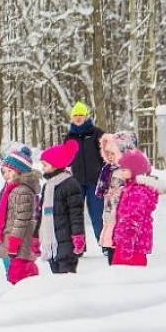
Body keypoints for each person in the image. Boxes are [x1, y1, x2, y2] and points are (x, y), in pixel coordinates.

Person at [0, 146, 41, 285]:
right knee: (11, 273)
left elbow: (22, 219)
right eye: (4, 171)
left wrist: (14, 242)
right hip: (8, 237)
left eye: (9, 171)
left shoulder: (22, 191)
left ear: (20, 172)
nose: (5, 175)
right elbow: (2, 213)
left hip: (18, 241)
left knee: (20, 276)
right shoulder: (8, 188)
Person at [35, 140, 86, 274]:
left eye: (45, 165)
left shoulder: (70, 184)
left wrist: (78, 236)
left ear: (56, 165)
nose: (43, 168)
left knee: (67, 281)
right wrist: (36, 236)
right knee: (57, 280)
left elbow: (76, 215)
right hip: (51, 243)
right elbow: (41, 215)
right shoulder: (48, 186)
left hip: (67, 243)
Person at [64, 101, 105, 244]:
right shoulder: (70, 137)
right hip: (76, 183)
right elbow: (66, 159)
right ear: (72, 117)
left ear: (86, 116)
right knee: (75, 216)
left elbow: (106, 155)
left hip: (95, 181)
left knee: (96, 214)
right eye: (75, 115)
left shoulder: (97, 133)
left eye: (81, 114)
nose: (78, 117)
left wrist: (106, 173)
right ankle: (78, 246)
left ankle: (104, 243)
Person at [112, 150, 162, 266]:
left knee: (128, 277)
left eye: (124, 170)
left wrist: (128, 243)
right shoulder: (130, 188)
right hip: (128, 242)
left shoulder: (137, 191)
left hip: (132, 244)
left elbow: (133, 219)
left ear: (135, 170)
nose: (121, 172)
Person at [96, 131, 138, 264]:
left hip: (123, 216)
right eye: (107, 153)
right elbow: (101, 188)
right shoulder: (108, 169)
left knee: (121, 243)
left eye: (112, 153)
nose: (109, 156)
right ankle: (112, 262)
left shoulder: (128, 171)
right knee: (111, 242)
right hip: (110, 213)